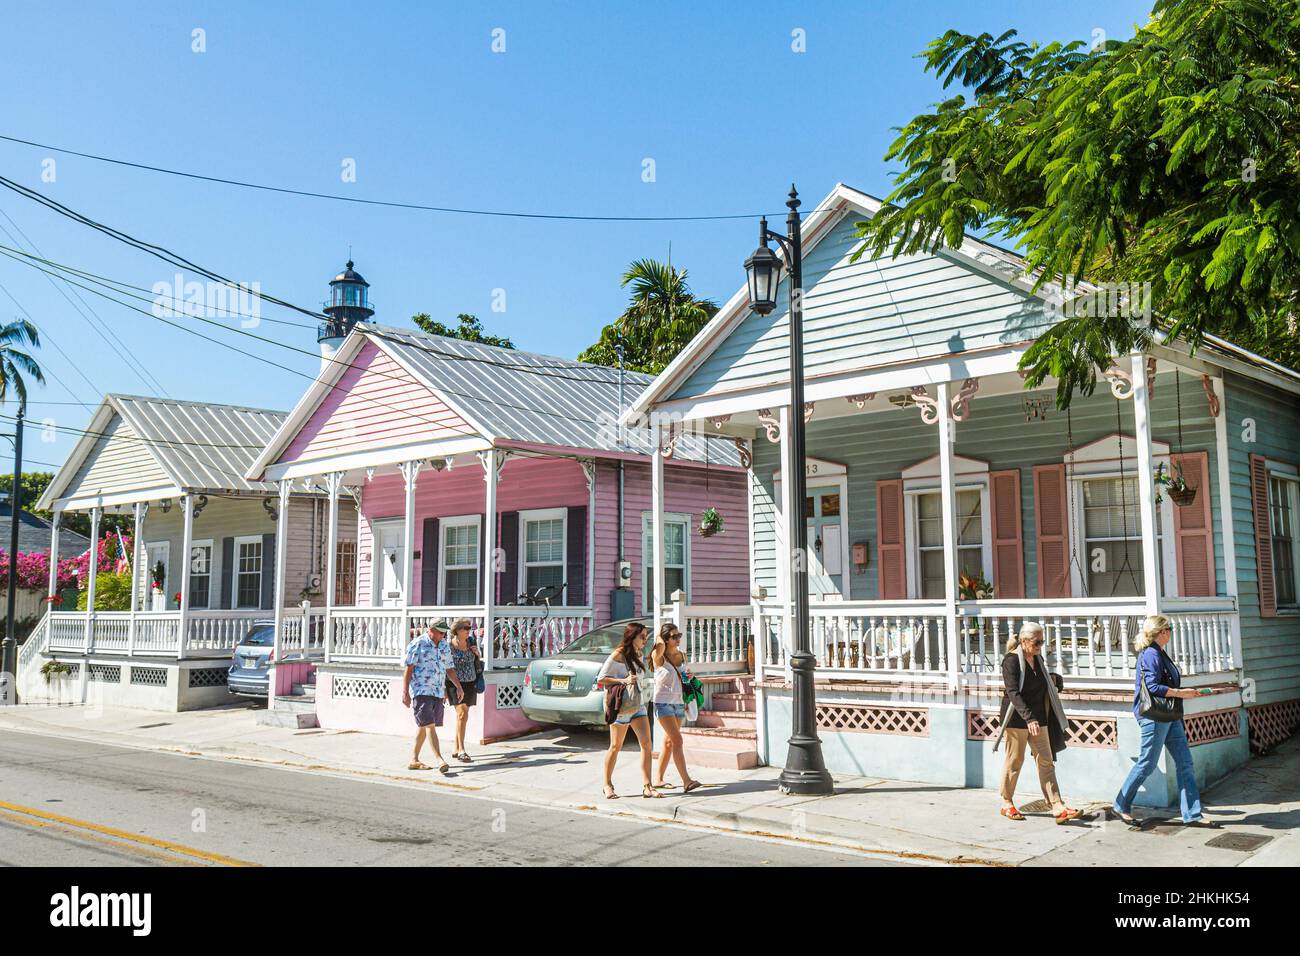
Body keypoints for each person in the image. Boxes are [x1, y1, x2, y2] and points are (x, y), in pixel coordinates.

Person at [1112, 615, 1210, 826]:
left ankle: (1192, 814)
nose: (1170, 632)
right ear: (1160, 632)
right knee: (1147, 763)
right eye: (1168, 628)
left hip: (1169, 715)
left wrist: (1183, 693)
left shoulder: (1160, 653)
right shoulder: (1150, 655)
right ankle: (1121, 804)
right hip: (1154, 716)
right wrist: (1181, 694)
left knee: (1185, 763)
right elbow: (1153, 687)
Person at [992, 621, 1081, 824]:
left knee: (1046, 761)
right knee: (1015, 761)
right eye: (1037, 642)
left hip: (1039, 718)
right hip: (1017, 718)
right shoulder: (1011, 661)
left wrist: (1054, 680)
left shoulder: (1037, 659)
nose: (1040, 646)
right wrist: (1028, 717)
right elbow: (1013, 692)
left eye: (1042, 642)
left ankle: (1056, 805)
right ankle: (1006, 802)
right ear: (1023, 641)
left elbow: (1040, 682)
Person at [597, 621, 658, 800]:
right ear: (632, 637)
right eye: (642, 636)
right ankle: (607, 785)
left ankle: (648, 786)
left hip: (637, 705)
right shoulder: (619, 654)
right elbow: (602, 678)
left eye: (646, 636)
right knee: (615, 746)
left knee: (647, 745)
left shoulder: (639, 653)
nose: (645, 640)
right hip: (622, 707)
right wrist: (623, 681)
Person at [402, 619, 464, 774]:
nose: (443, 635)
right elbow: (409, 669)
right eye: (440, 632)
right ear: (431, 630)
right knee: (429, 724)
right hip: (421, 690)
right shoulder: (418, 644)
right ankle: (440, 759)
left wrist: (458, 686)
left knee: (424, 726)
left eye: (445, 632)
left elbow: (449, 668)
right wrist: (405, 692)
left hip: (437, 691)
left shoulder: (444, 645)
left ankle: (414, 760)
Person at [651, 623, 701, 793]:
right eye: (674, 636)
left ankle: (657, 779)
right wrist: (660, 637)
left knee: (668, 742)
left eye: (679, 635)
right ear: (665, 639)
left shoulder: (682, 656)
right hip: (663, 703)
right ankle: (687, 781)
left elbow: (685, 678)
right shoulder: (658, 656)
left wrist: (689, 678)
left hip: (680, 702)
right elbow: (658, 645)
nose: (678, 638)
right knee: (678, 740)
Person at [447, 618, 482, 764]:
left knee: (462, 716)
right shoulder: (449, 646)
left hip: (470, 682)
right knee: (462, 713)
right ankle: (462, 750)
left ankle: (455, 747)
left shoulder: (471, 643)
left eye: (469, 628)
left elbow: (477, 661)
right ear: (458, 630)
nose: (469, 630)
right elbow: (446, 667)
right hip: (455, 684)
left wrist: (477, 654)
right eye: (466, 628)